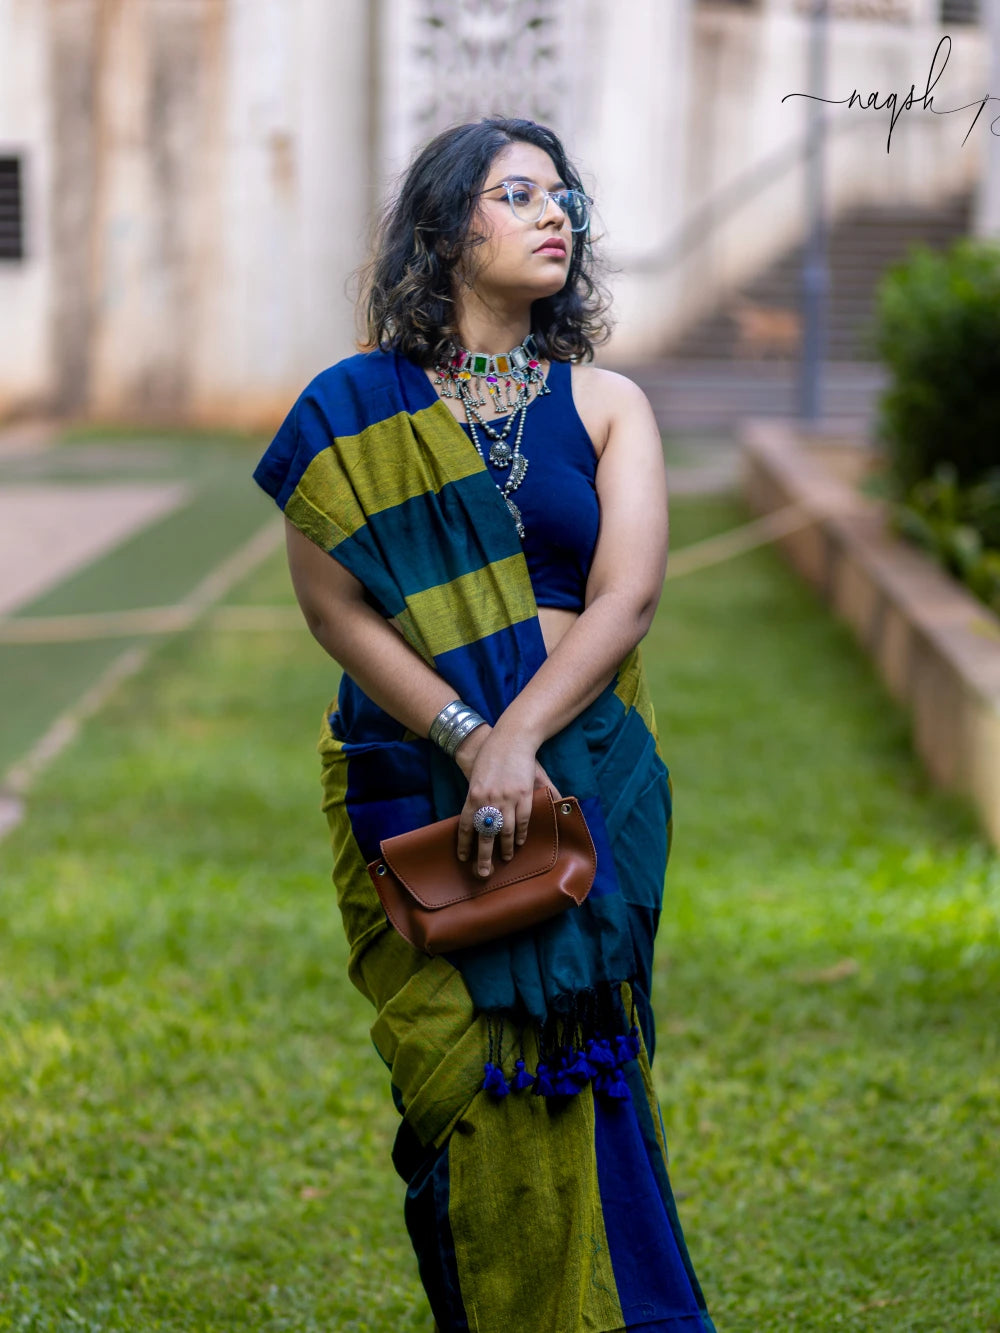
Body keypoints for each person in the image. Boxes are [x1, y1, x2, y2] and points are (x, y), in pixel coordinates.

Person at [253, 115, 715, 1333]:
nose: (555, 213)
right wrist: (469, 736)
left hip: (580, 783)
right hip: (415, 782)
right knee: (459, 1078)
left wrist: (516, 741)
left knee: (579, 1063)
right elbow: (332, 608)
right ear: (447, 225)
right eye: (519, 194)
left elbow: (626, 598)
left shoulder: (607, 403)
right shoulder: (353, 413)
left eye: (564, 197)